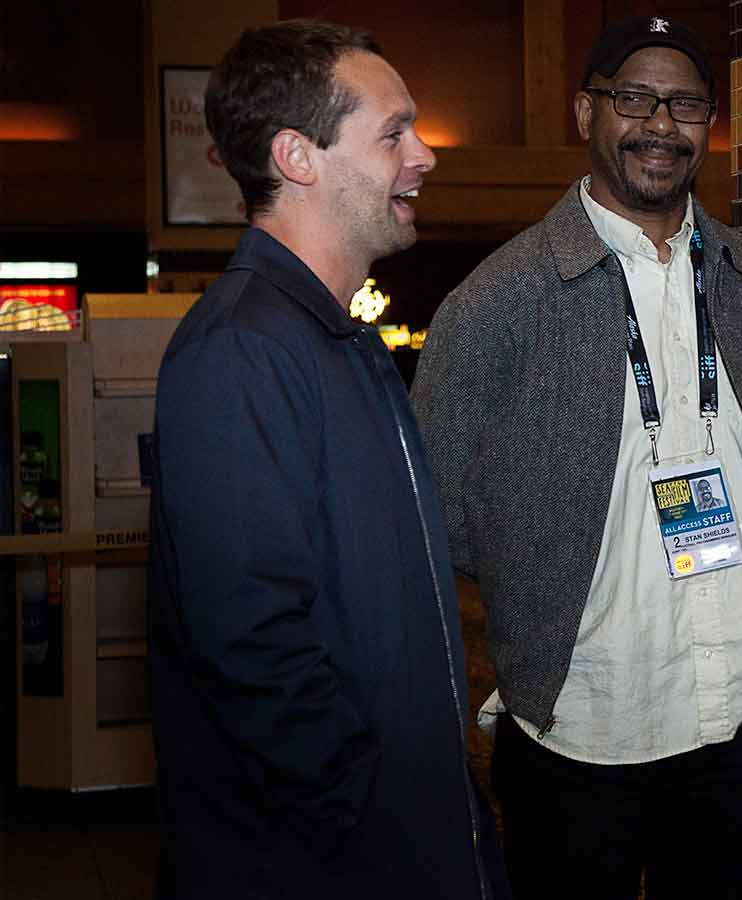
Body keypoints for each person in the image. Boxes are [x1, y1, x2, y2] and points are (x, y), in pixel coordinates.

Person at [411, 15, 742, 900]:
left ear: (709, 122)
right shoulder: (500, 300)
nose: (660, 123)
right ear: (586, 112)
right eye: (633, 98)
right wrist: (522, 641)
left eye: (684, 104)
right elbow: (434, 514)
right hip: (581, 724)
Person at [147, 20, 504, 899]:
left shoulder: (344, 344)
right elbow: (254, 646)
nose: (423, 156)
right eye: (394, 133)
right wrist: (364, 805)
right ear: (297, 157)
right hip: (334, 858)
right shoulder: (239, 351)